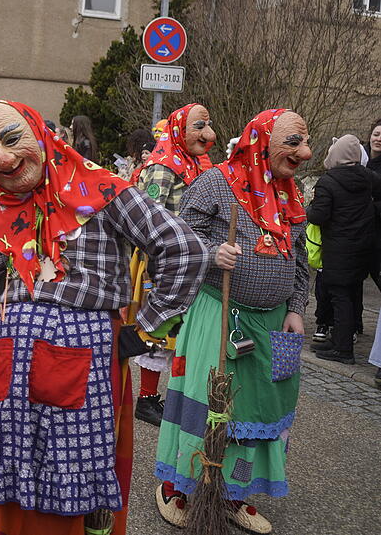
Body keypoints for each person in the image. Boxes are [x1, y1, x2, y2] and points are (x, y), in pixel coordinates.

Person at [0, 100, 209, 535]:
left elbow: (185, 250)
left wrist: (147, 330)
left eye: (11, 139)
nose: (3, 158)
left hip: (85, 363)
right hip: (0, 365)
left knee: (68, 479)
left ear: (39, 133)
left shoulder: (105, 191)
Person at [155, 109, 312, 534]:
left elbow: (300, 262)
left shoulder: (291, 195)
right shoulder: (216, 182)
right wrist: (210, 253)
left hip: (275, 323)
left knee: (259, 409)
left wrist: (296, 307)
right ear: (261, 141)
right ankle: (180, 487)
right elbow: (177, 236)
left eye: (305, 141)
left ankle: (236, 493)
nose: (306, 152)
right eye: (294, 142)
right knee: (209, 406)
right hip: (219, 313)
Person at [130, 104, 216, 427]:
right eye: (199, 126)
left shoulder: (195, 163)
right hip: (164, 259)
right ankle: (147, 399)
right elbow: (147, 214)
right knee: (159, 328)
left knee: (180, 334)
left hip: (188, 259)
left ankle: (175, 398)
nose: (207, 133)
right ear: (181, 130)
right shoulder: (164, 165)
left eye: (208, 125)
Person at [308, 135, 381, 365]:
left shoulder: (327, 182)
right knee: (350, 295)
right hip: (363, 247)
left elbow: (319, 216)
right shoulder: (368, 176)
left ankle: (343, 349)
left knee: (339, 296)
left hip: (338, 248)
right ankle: (341, 340)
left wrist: (307, 209)